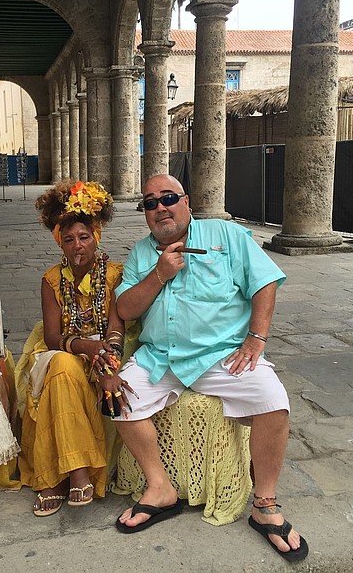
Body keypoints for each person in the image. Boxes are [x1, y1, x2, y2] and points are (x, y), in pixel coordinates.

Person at [110, 174, 308, 562]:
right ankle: (160, 487)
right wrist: (159, 274)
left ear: (186, 201)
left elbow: (264, 281)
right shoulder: (140, 254)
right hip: (161, 356)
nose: (160, 208)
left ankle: (264, 504)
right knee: (117, 398)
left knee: (274, 400)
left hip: (220, 355)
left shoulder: (225, 234)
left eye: (167, 198)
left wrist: (256, 338)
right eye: (150, 203)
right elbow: (125, 309)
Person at [18, 180, 125, 517]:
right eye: (69, 240)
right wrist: (83, 346)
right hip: (67, 350)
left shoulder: (116, 275)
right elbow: (52, 337)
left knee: (63, 371)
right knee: (62, 366)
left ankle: (54, 479)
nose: (77, 245)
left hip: (109, 351)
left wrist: (104, 354)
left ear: (96, 237)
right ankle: (77, 473)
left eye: (84, 237)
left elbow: (118, 324)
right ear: (60, 244)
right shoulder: (52, 280)